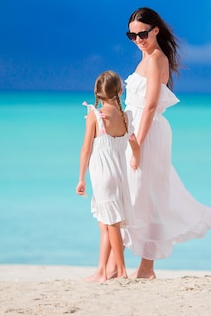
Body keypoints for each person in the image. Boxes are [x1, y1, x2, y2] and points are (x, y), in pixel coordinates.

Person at [123, 7, 211, 279]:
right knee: (134, 195)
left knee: (148, 195)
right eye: (132, 36)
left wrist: (137, 145)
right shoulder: (145, 58)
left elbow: (151, 105)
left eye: (142, 33)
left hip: (148, 132)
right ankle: (124, 264)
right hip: (134, 131)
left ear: (155, 30)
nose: (139, 39)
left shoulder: (156, 59)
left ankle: (146, 267)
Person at [76, 70, 141, 282]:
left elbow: (86, 149)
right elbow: (134, 143)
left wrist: (81, 178)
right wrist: (136, 160)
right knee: (104, 223)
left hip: (102, 176)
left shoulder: (94, 116)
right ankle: (102, 271)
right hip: (119, 174)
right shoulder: (125, 116)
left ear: (97, 93)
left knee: (111, 223)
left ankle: (121, 271)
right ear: (120, 91)